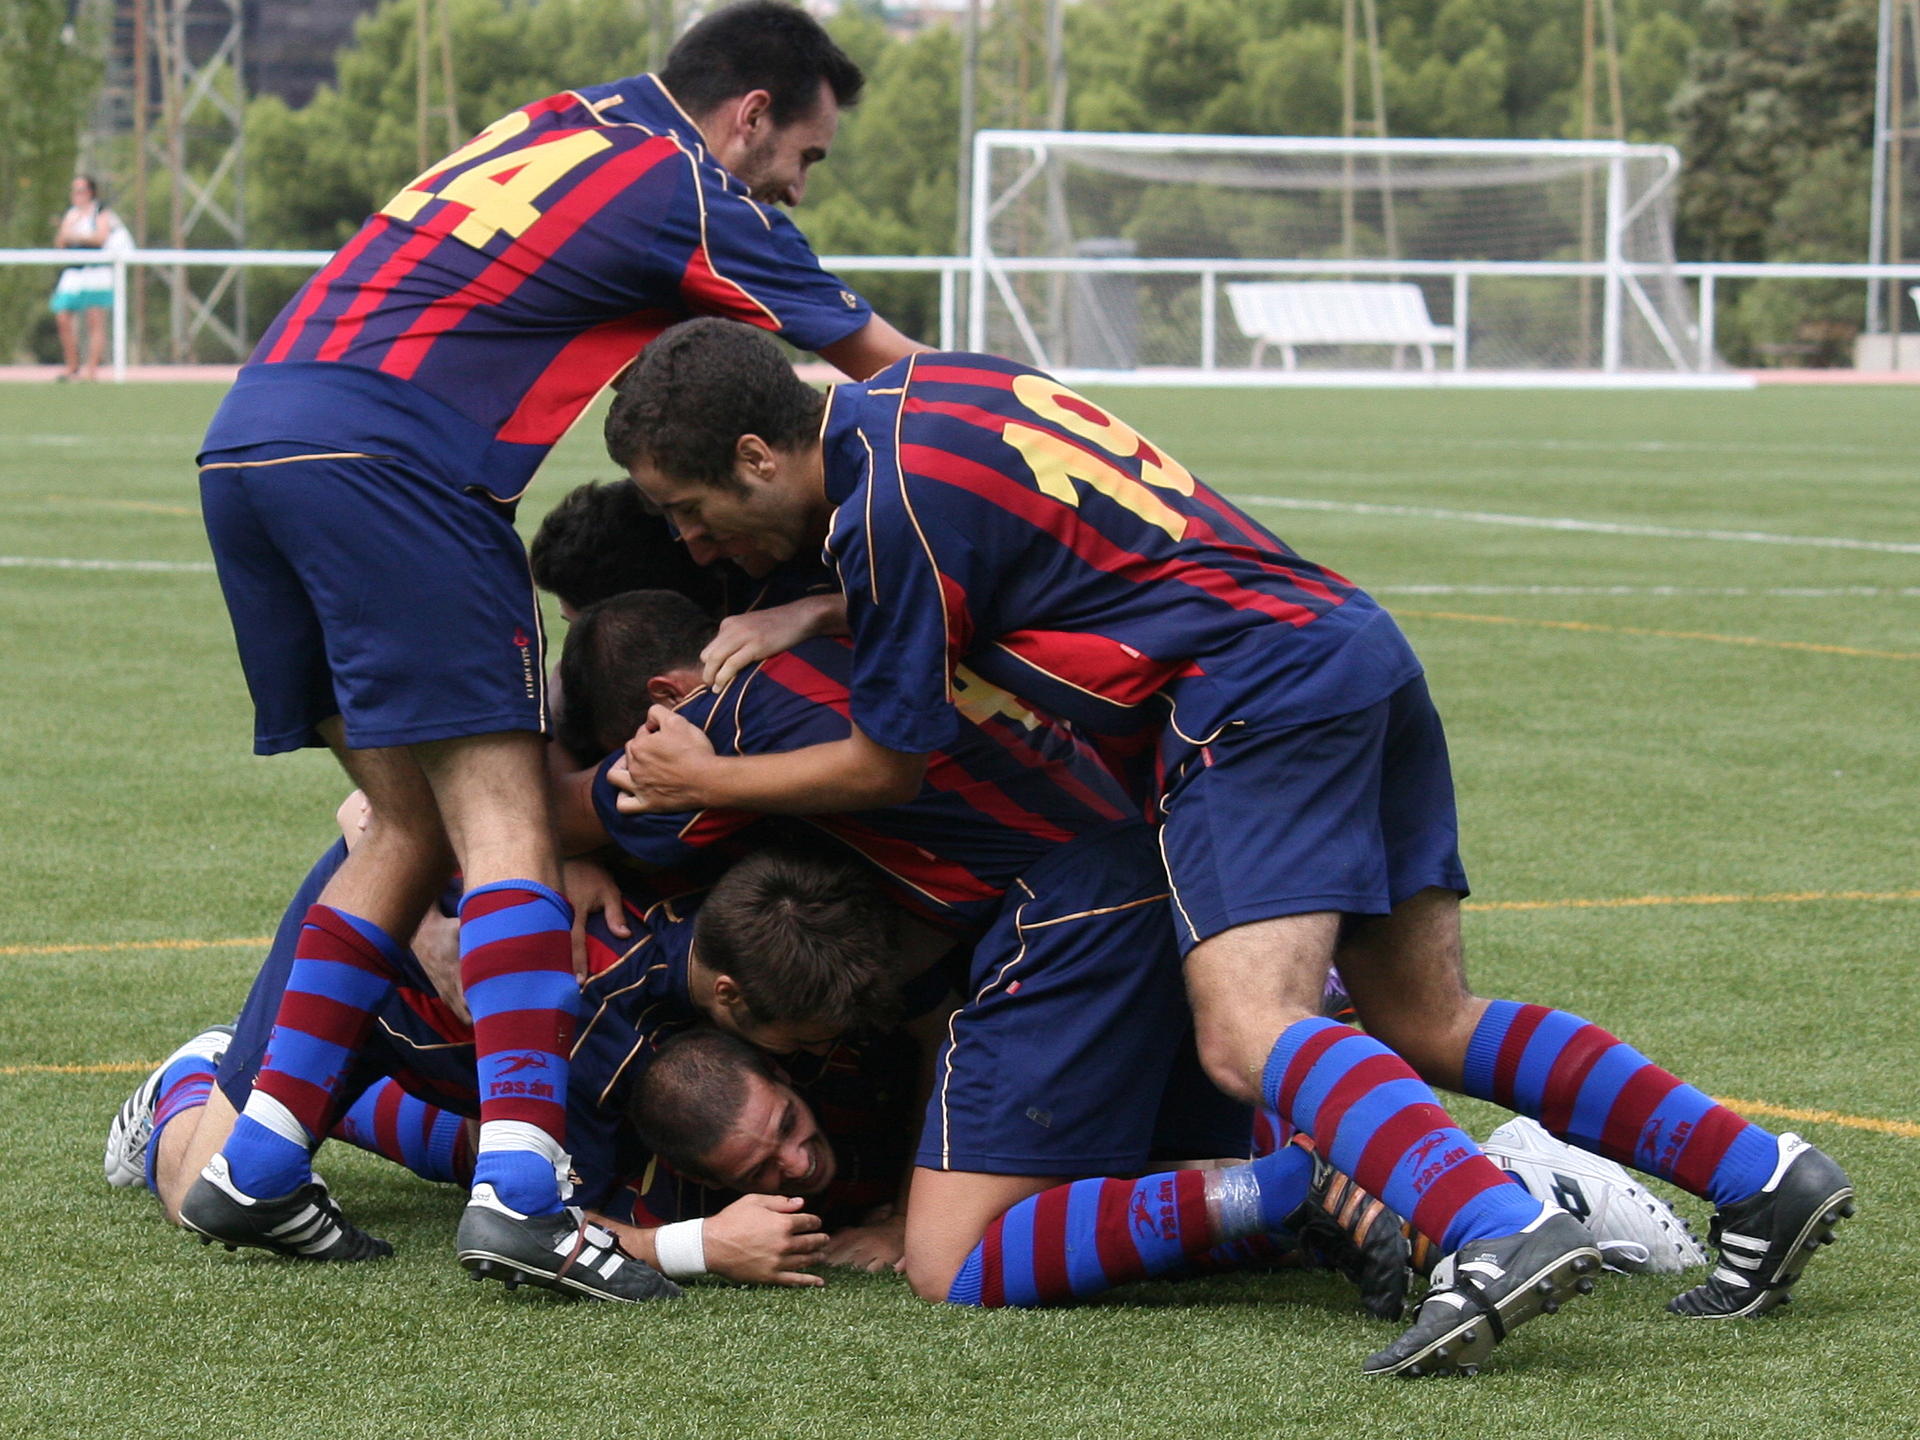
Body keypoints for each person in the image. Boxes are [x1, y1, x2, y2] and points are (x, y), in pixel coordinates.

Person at [600, 319, 1855, 1376]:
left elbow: (891, 764)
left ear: (760, 455)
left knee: (1245, 1030)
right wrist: (824, 601)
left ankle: (1490, 1226)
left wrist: (708, 773)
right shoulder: (934, 386)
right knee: (1426, 1016)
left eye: (692, 509)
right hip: (1347, 644)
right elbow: (1020, 545)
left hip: (1250, 694)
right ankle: (1758, 1173)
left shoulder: (886, 513)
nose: (696, 544)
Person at [187, 0, 929, 1302]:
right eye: (805, 158)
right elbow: (894, 373)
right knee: (508, 822)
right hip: (398, 464)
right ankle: (525, 1193)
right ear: (748, 114)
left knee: (406, 825)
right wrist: (1060, 451)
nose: (798, 188)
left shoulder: (559, 126)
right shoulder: (687, 180)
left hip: (252, 445)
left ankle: (256, 1161)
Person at [113, 835, 903, 1295]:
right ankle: (193, 1074)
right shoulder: (597, 1036)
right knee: (201, 1196)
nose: (810, 1055)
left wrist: (573, 846)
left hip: (466, 985)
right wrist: (703, 1247)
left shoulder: (712, 879)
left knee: (521, 1132)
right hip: (368, 972)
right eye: (798, 1041)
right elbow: (556, 1224)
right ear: (730, 1000)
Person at [50, 176, 127, 382]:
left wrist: (75, 236)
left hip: (96, 272)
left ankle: (91, 370)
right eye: (74, 190)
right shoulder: (72, 215)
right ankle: (72, 365)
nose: (77, 195)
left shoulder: (101, 212)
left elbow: (100, 237)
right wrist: (72, 234)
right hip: (75, 272)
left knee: (95, 320)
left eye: (81, 190)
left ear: (91, 192)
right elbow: (61, 241)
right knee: (63, 315)